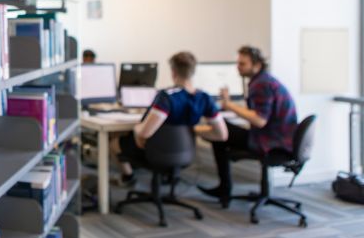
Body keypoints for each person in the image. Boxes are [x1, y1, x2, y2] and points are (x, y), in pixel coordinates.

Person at [199, 46, 298, 206]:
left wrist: (229, 105)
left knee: (219, 132)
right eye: (238, 63)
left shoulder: (260, 84)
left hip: (270, 142)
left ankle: (224, 189)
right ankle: (224, 188)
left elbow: (259, 120)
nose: (238, 67)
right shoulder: (264, 80)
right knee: (223, 130)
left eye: (242, 64)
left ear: (257, 65)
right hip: (279, 138)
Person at [114, 51, 228, 185]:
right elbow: (222, 135)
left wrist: (136, 127)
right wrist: (193, 130)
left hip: (155, 153)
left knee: (114, 143)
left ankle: (128, 178)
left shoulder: (167, 97)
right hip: (185, 154)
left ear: (173, 72)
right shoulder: (204, 98)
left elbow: (145, 133)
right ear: (193, 72)